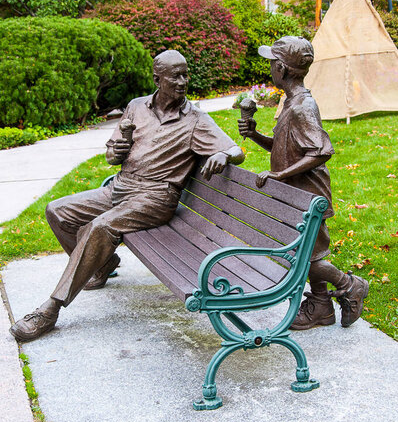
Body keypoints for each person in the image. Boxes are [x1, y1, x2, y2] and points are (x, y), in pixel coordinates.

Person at [11, 50, 244, 342]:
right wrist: (115, 152)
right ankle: (103, 264)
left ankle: (51, 308)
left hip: (156, 197)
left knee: (101, 226)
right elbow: (111, 152)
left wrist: (224, 154)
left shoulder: (195, 119)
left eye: (186, 74)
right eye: (176, 75)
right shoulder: (136, 107)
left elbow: (237, 150)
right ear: (158, 79)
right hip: (120, 188)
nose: (183, 81)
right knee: (57, 210)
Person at [238, 36, 369, 330]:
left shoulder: (302, 107)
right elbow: (286, 147)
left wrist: (279, 175)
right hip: (297, 195)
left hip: (309, 195)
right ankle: (321, 307)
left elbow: (322, 151)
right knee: (309, 252)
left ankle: (351, 285)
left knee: (307, 257)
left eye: (272, 63)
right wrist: (255, 134)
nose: (270, 67)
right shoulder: (291, 103)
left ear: (282, 69)